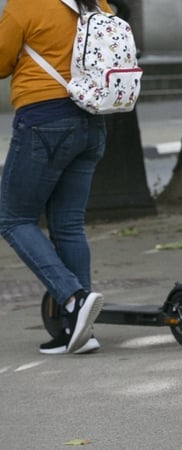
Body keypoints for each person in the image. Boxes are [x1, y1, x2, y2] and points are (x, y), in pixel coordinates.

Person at [0, 0, 112, 354]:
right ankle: (78, 331)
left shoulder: (24, 6)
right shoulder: (95, 2)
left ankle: (74, 299)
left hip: (44, 120)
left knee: (12, 218)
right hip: (92, 123)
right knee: (68, 226)